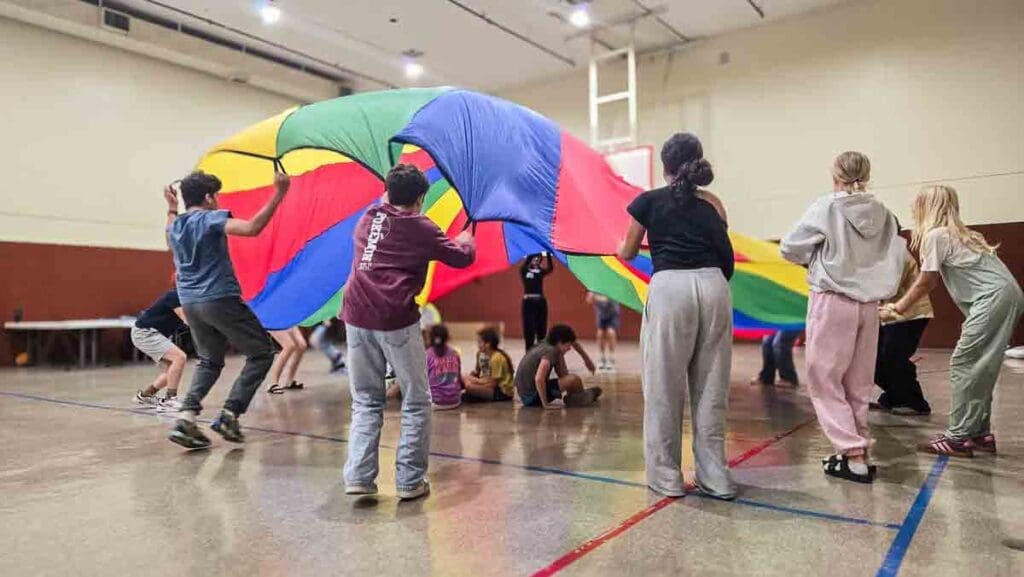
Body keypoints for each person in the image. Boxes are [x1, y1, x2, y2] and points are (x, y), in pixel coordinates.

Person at [341, 164, 475, 500]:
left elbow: (388, 199)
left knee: (366, 400)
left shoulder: (369, 216)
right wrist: (467, 240)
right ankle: (409, 482)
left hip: (356, 314)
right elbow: (460, 258)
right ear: (419, 198)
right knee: (416, 400)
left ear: (387, 192)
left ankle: (358, 476)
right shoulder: (419, 225)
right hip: (394, 317)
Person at [619, 132, 736, 499]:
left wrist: (617, 248)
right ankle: (715, 477)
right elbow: (723, 249)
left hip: (670, 288)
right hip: (715, 287)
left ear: (664, 166)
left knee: (663, 387)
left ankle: (667, 477)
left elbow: (627, 251)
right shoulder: (714, 203)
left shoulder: (647, 202)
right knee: (711, 388)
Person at [781, 151, 904, 483]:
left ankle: (850, 451)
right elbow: (897, 252)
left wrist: (816, 257)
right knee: (859, 379)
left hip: (833, 299)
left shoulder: (827, 207)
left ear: (834, 174)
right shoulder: (885, 213)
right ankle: (859, 450)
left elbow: (790, 247)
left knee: (824, 377)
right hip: (869, 304)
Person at [882, 185, 1023, 457]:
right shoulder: (965, 234)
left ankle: (958, 438)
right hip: (1008, 295)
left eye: (917, 205)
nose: (913, 209)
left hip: (993, 298)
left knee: (964, 363)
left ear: (927, 207)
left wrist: (897, 308)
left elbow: (927, 281)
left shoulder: (936, 236)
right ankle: (979, 433)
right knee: (980, 368)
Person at [164, 169, 289, 449]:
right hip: (219, 297)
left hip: (190, 302)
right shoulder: (210, 219)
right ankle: (230, 414)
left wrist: (171, 208)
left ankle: (186, 418)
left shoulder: (175, 225)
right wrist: (279, 193)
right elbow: (252, 228)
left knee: (209, 360)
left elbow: (169, 229)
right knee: (261, 352)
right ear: (209, 198)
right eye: (216, 195)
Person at [873, 249, 934, 416]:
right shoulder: (877, 253)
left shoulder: (895, 252)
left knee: (893, 356)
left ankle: (915, 402)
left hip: (911, 314)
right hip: (888, 315)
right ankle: (894, 396)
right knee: (874, 357)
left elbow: (889, 285)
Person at [514, 324, 600, 409]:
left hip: (526, 395)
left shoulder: (548, 343)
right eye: (568, 345)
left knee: (560, 356)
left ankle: (577, 396)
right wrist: (545, 404)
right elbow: (539, 379)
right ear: (560, 342)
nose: (570, 348)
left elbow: (574, 343)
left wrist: (587, 360)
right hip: (531, 398)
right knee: (574, 379)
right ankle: (580, 397)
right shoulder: (550, 351)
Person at [132, 288, 188, 412]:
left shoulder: (188, 298)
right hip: (146, 332)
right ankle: (170, 399)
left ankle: (146, 395)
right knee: (179, 358)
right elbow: (187, 320)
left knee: (172, 369)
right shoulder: (175, 295)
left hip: (156, 334)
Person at [462, 326, 515, 403]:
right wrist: (472, 376)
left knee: (469, 387)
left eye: (480, 342)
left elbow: (493, 384)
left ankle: (476, 395)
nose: (478, 345)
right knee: (462, 377)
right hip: (485, 382)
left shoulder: (497, 358)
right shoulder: (480, 354)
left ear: (488, 344)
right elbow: (477, 372)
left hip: (501, 392)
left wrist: (476, 384)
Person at [521, 253, 554, 349]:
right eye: (534, 257)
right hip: (528, 303)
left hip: (540, 302)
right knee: (529, 330)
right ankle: (529, 354)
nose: (536, 259)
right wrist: (532, 250)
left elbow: (550, 268)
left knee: (541, 330)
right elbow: (526, 262)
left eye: (538, 258)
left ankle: (540, 353)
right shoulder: (524, 270)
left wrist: (548, 254)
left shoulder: (540, 271)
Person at [426, 325, 462, 410]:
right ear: (447, 338)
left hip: (435, 402)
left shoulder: (427, 355)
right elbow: (459, 377)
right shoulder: (455, 353)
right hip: (455, 401)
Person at [266, 327, 308, 394]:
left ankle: (288, 381)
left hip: (287, 319)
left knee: (302, 345)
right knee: (289, 346)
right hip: (273, 320)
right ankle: (273, 383)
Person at [587, 292, 620, 372]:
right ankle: (602, 357)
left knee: (610, 332)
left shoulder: (611, 287)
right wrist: (591, 296)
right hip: (601, 314)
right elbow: (588, 300)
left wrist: (595, 297)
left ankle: (611, 357)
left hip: (612, 313)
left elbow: (607, 299)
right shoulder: (595, 286)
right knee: (600, 333)